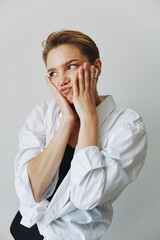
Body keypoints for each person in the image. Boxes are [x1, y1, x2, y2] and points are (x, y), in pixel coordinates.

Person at [8, 29, 147, 240]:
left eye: (70, 66)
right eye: (53, 72)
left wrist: (89, 116)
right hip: (16, 233)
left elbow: (86, 197)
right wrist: (67, 121)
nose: (61, 80)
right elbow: (31, 192)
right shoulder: (43, 114)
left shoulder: (128, 127)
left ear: (96, 68)